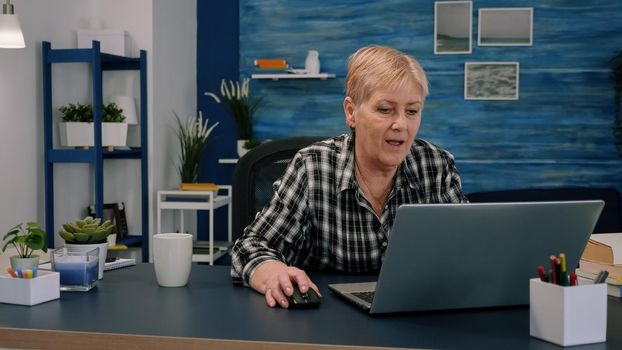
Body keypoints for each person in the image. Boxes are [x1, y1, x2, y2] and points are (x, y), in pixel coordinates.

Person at [230, 45, 468, 308]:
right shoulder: (313, 167)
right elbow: (250, 246)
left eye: (412, 111)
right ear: (351, 112)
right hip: (328, 321)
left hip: (418, 317)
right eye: (385, 110)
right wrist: (274, 273)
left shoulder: (436, 166)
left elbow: (468, 250)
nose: (401, 124)